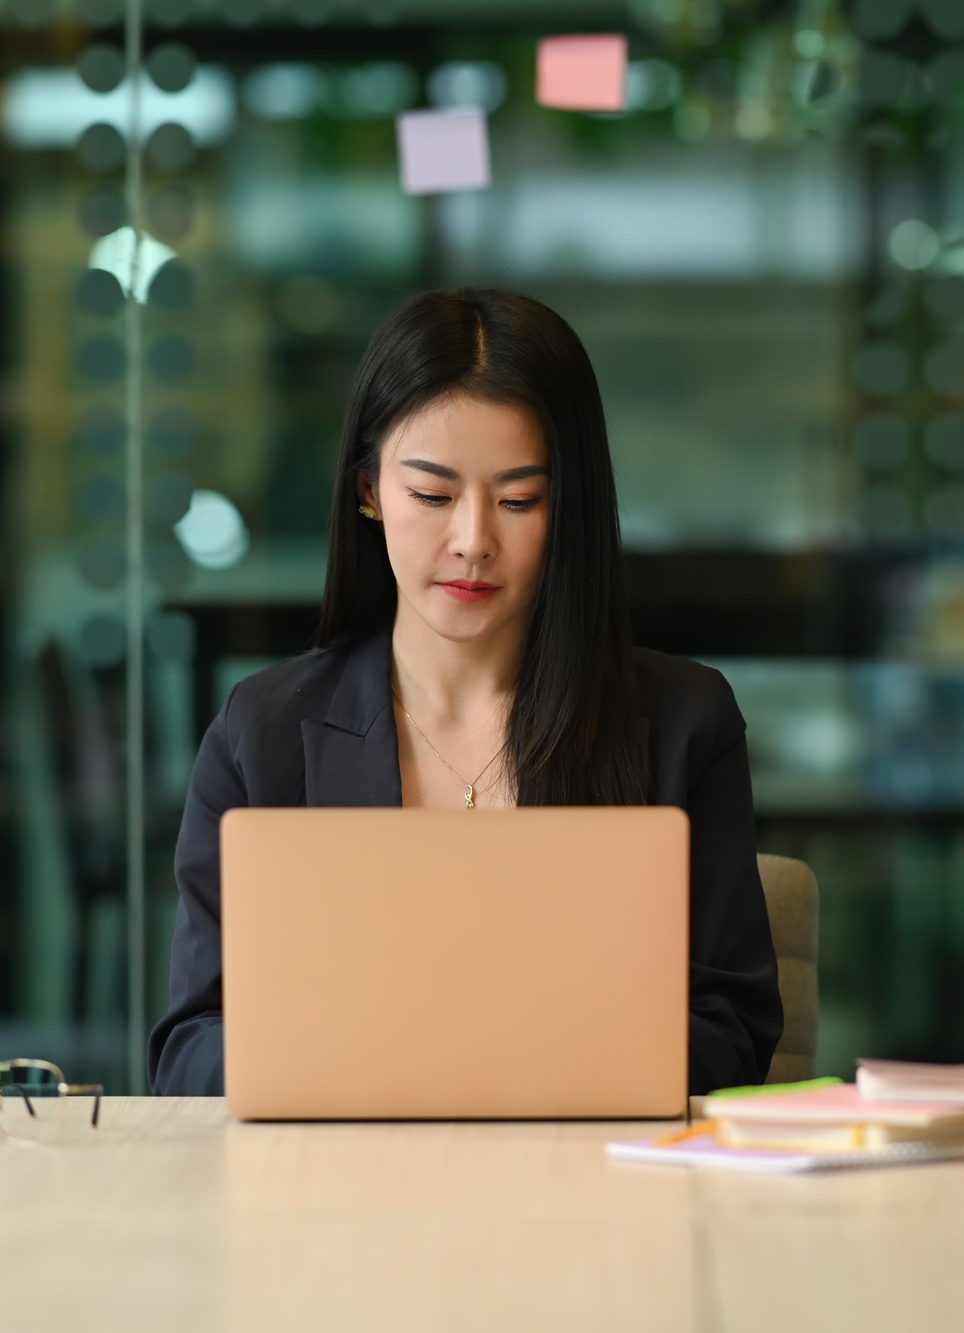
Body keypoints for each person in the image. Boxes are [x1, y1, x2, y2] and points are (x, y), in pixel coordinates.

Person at [148, 288, 784, 1097]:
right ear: (369, 491)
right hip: (338, 1199)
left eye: (520, 499)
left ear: (571, 505)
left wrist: (474, 1065)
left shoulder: (681, 724)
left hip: (592, 1195)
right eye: (433, 495)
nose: (474, 540)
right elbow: (190, 1048)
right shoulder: (263, 735)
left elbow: (733, 1030)